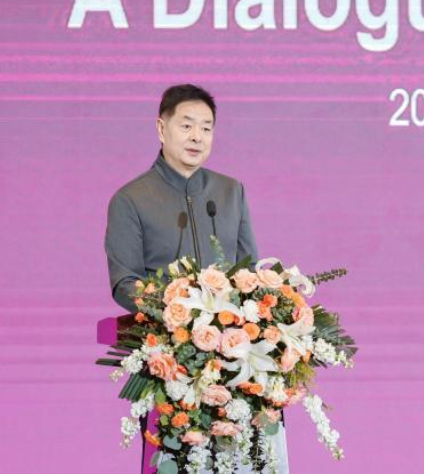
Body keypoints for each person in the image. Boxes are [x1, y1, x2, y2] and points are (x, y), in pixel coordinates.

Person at [104, 84, 290, 473]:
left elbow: (249, 270)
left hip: (237, 358)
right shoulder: (131, 199)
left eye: (206, 128)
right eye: (186, 125)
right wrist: (178, 311)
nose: (197, 137)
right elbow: (124, 282)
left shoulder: (230, 191)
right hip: (172, 363)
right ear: (161, 128)